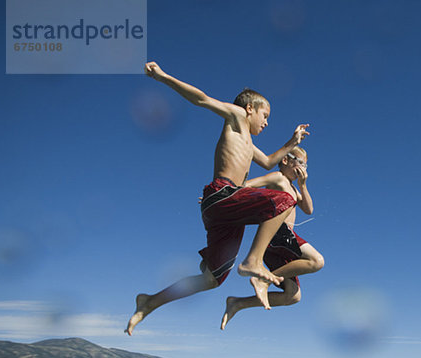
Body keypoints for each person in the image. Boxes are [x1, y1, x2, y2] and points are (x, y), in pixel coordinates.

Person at [125, 62, 309, 335]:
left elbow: (270, 162)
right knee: (284, 198)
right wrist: (164, 77)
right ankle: (253, 261)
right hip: (223, 194)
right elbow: (201, 99)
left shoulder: (249, 142)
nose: (267, 122)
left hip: (226, 209)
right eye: (265, 115)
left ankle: (150, 301)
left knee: (211, 279)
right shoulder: (236, 117)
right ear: (249, 109)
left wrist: (291, 143)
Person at [221, 146, 324, 330]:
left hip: (283, 242)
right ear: (285, 160)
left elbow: (309, 210)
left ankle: (238, 303)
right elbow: (248, 185)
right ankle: (264, 280)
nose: (302, 169)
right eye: (299, 163)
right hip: (278, 234)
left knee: (292, 296)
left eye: (306, 166)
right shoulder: (279, 178)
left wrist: (303, 185)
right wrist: (222, 196)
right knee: (316, 261)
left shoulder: (294, 188)